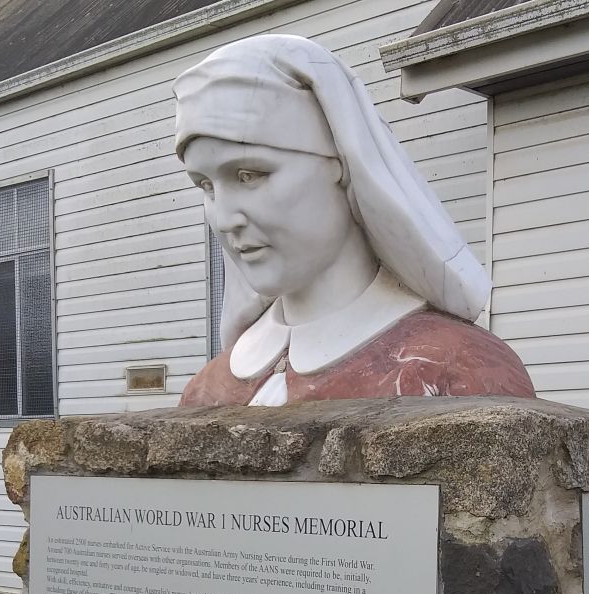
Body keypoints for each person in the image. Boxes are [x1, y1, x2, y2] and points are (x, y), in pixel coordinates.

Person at [172, 34, 535, 407]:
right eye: (206, 186)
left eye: (250, 175)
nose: (226, 219)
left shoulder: (460, 371)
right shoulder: (208, 390)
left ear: (344, 167)